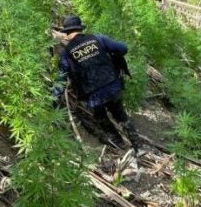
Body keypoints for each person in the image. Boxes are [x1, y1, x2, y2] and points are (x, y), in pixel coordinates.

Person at [52, 15, 142, 153]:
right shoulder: (98, 39)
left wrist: (53, 97)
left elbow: (61, 78)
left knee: (100, 117)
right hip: (112, 85)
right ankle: (139, 147)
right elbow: (123, 48)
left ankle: (118, 143)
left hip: (93, 95)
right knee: (120, 115)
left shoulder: (66, 53)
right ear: (80, 28)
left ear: (66, 33)